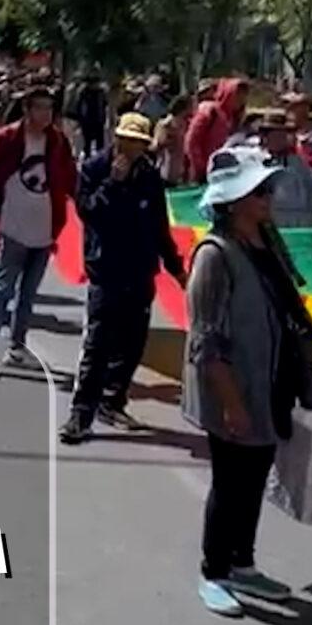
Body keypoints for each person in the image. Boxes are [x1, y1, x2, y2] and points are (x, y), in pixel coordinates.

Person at [183, 144, 312, 616]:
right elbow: (206, 342)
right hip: (233, 388)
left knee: (252, 480)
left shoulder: (266, 243)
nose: (269, 196)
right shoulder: (214, 254)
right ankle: (214, 571)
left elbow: (292, 309)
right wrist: (232, 403)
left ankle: (243, 565)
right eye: (259, 190)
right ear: (234, 201)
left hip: (270, 383)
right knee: (230, 483)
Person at [60, 112, 186, 443]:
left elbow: (160, 227)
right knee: (98, 344)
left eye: (140, 143)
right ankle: (81, 413)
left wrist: (176, 268)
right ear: (117, 138)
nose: (133, 149)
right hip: (107, 270)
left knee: (132, 344)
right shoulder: (94, 170)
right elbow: (89, 213)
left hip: (141, 269)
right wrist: (113, 183)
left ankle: (112, 401)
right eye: (128, 141)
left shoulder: (148, 176)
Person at [0, 85, 77, 379]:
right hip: (13, 224)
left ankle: (17, 347)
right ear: (27, 110)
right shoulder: (9, 137)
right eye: (40, 108)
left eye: (50, 108)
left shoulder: (58, 141)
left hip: (45, 226)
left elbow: (71, 178)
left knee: (28, 295)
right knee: (2, 291)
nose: (46, 114)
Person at [257, 109, 312, 229]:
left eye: (284, 134)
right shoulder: (255, 161)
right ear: (265, 136)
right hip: (270, 223)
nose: (281, 138)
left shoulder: (297, 162)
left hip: (298, 223)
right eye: (276, 134)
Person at [184, 78, 250, 184]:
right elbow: (191, 141)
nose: (241, 99)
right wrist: (201, 167)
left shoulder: (235, 118)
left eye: (244, 95)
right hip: (204, 174)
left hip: (226, 172)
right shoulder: (209, 111)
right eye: (238, 94)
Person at [153, 93, 192, 186]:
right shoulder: (165, 125)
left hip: (183, 173)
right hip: (166, 171)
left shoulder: (188, 123)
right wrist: (167, 139)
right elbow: (155, 146)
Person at [72, 70, 108, 158]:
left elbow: (105, 105)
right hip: (87, 121)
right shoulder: (83, 92)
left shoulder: (101, 92)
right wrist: (79, 120)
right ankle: (88, 160)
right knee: (87, 143)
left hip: (98, 121)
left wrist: (105, 119)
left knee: (100, 144)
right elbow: (79, 106)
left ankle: (99, 160)